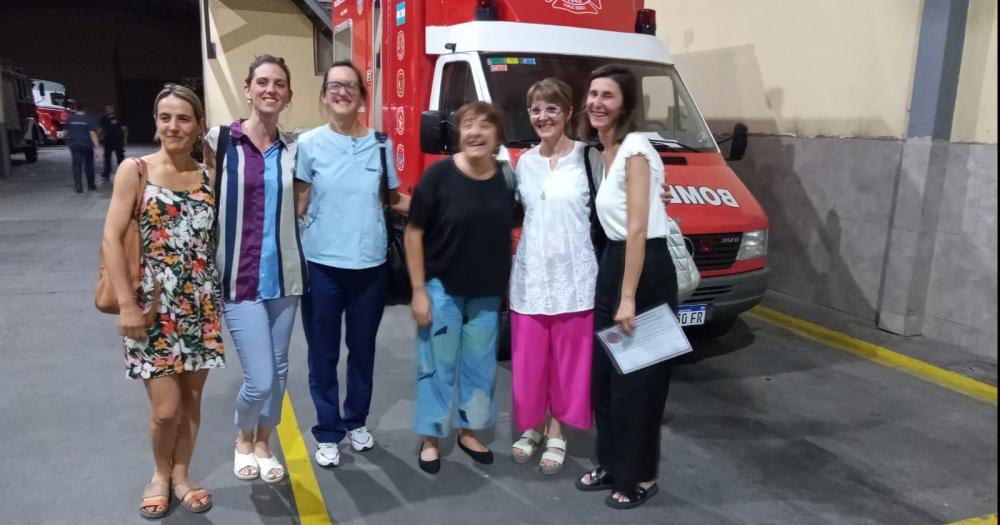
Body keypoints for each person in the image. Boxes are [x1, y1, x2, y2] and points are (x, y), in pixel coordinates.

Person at [101, 84, 223, 518]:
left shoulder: (208, 175)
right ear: (155, 122)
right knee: (166, 409)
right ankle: (158, 471)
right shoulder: (136, 171)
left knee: (192, 401)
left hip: (200, 304)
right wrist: (128, 307)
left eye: (183, 118)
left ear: (198, 126)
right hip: (153, 307)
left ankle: (182, 473)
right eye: (166, 117)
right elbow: (113, 239)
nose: (174, 126)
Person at [573, 65, 677, 509]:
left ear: (626, 105)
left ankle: (642, 477)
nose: (597, 102)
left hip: (644, 271)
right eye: (593, 94)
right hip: (615, 263)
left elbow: (638, 230)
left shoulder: (635, 146)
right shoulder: (605, 150)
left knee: (638, 382)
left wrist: (629, 296)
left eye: (608, 96)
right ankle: (613, 463)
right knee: (605, 379)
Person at [295, 60, 408, 468]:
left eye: (350, 86)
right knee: (322, 353)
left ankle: (355, 420)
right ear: (325, 95)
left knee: (362, 350)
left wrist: (445, 205)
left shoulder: (380, 142)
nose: (342, 92)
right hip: (321, 266)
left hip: (370, 267)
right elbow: (298, 202)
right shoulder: (308, 144)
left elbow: (391, 199)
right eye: (334, 86)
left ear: (362, 96)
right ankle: (328, 430)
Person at [203, 55, 306, 484]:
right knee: (260, 378)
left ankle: (262, 443)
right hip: (238, 279)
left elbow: (302, 202)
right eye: (262, 82)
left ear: (288, 95)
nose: (270, 90)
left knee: (280, 371)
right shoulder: (220, 139)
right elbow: (205, 198)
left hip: (284, 277)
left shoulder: (294, 148)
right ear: (247, 89)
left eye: (279, 84)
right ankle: (241, 438)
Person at [406, 101, 516, 474]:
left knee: (480, 368)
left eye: (486, 126)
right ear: (458, 132)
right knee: (437, 367)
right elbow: (414, 232)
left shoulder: (506, 178)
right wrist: (419, 290)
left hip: (486, 295)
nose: (475, 133)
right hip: (442, 290)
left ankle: (470, 432)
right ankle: (431, 438)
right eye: (469, 124)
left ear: (498, 136)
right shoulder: (438, 176)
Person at [508, 78, 598, 476]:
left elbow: (617, 202)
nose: (542, 116)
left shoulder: (589, 158)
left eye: (551, 109)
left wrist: (658, 197)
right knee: (529, 362)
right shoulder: (523, 163)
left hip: (575, 279)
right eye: (535, 109)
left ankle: (558, 431)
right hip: (530, 278)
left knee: (568, 363)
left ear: (568, 112)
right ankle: (533, 426)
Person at [65, 104, 100, 192]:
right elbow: (93, 134)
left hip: (74, 144)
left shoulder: (70, 119)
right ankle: (91, 185)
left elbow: (65, 133)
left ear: (76, 109)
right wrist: (97, 147)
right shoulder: (89, 119)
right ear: (85, 109)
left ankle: (78, 186)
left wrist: (67, 141)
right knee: (89, 165)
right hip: (87, 145)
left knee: (76, 165)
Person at [100, 103, 127, 180]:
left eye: (109, 108)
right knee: (107, 157)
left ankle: (123, 172)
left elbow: (124, 129)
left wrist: (125, 138)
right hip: (107, 141)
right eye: (106, 109)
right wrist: (99, 137)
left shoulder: (119, 118)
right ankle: (106, 173)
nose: (107, 110)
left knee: (120, 157)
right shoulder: (103, 118)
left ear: (112, 109)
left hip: (118, 140)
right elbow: (101, 129)